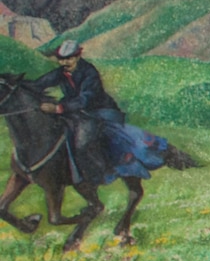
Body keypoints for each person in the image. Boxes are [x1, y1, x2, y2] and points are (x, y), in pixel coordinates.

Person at [35, 38, 186, 180]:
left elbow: (86, 98)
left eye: (69, 59)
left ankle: (102, 170)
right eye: (61, 59)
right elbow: (41, 82)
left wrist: (59, 108)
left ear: (78, 57)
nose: (65, 62)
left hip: (100, 112)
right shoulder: (62, 72)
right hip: (78, 113)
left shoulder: (89, 72)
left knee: (84, 141)